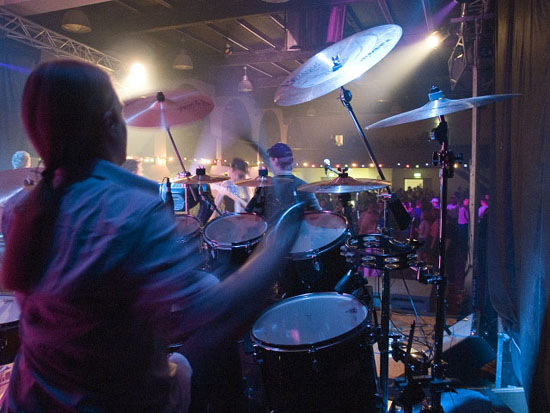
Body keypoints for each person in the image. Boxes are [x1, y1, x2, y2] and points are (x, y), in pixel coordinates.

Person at [0, 59, 301, 412]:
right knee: (216, 340)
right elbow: (213, 310)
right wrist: (278, 240)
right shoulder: (131, 209)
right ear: (111, 123)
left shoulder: (19, 209)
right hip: (116, 403)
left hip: (30, 398)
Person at [247, 142, 320, 224]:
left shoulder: (264, 187)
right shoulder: (305, 187)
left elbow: (252, 217)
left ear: (275, 160)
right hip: (298, 232)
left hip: (270, 232)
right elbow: (318, 217)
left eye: (270, 159)